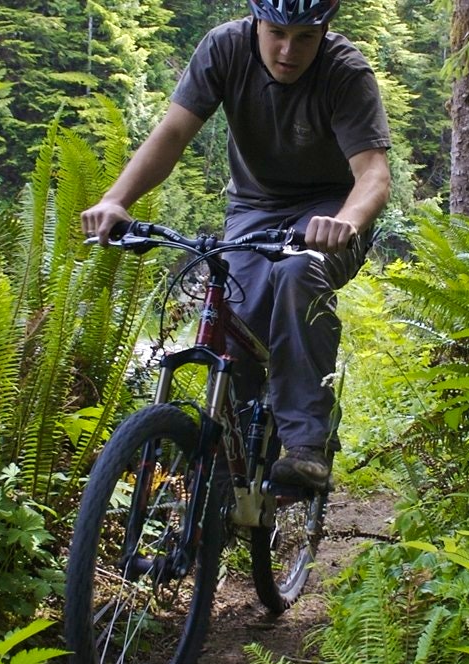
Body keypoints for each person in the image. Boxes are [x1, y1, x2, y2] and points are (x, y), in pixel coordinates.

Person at [80, 0, 391, 491]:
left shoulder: (345, 72)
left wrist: (345, 221)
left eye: (305, 37)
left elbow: (373, 172)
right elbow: (173, 133)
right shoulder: (224, 47)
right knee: (235, 312)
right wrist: (116, 200)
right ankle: (229, 460)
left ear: (325, 32)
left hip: (332, 209)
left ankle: (306, 446)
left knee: (297, 273)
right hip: (254, 206)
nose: (288, 50)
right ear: (256, 25)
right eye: (276, 33)